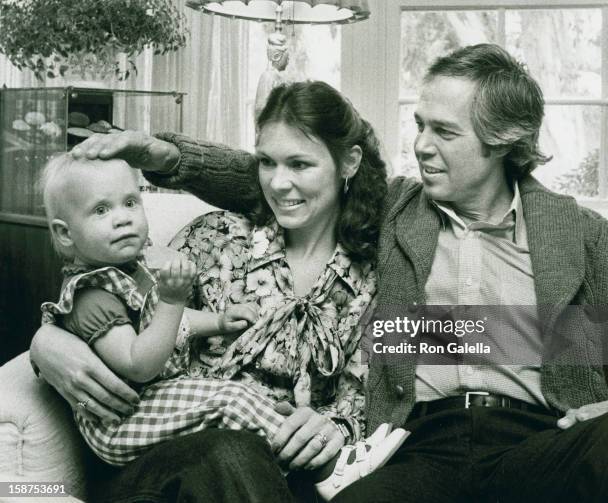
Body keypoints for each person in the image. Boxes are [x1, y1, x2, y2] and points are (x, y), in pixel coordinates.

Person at [31, 81, 408, 502]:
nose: (279, 184)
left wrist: (332, 430)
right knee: (232, 450)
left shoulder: (379, 276)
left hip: (288, 475)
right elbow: (111, 303)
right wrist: (45, 343)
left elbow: (369, 396)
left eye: (299, 165)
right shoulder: (215, 238)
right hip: (163, 465)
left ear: (349, 163)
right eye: (266, 162)